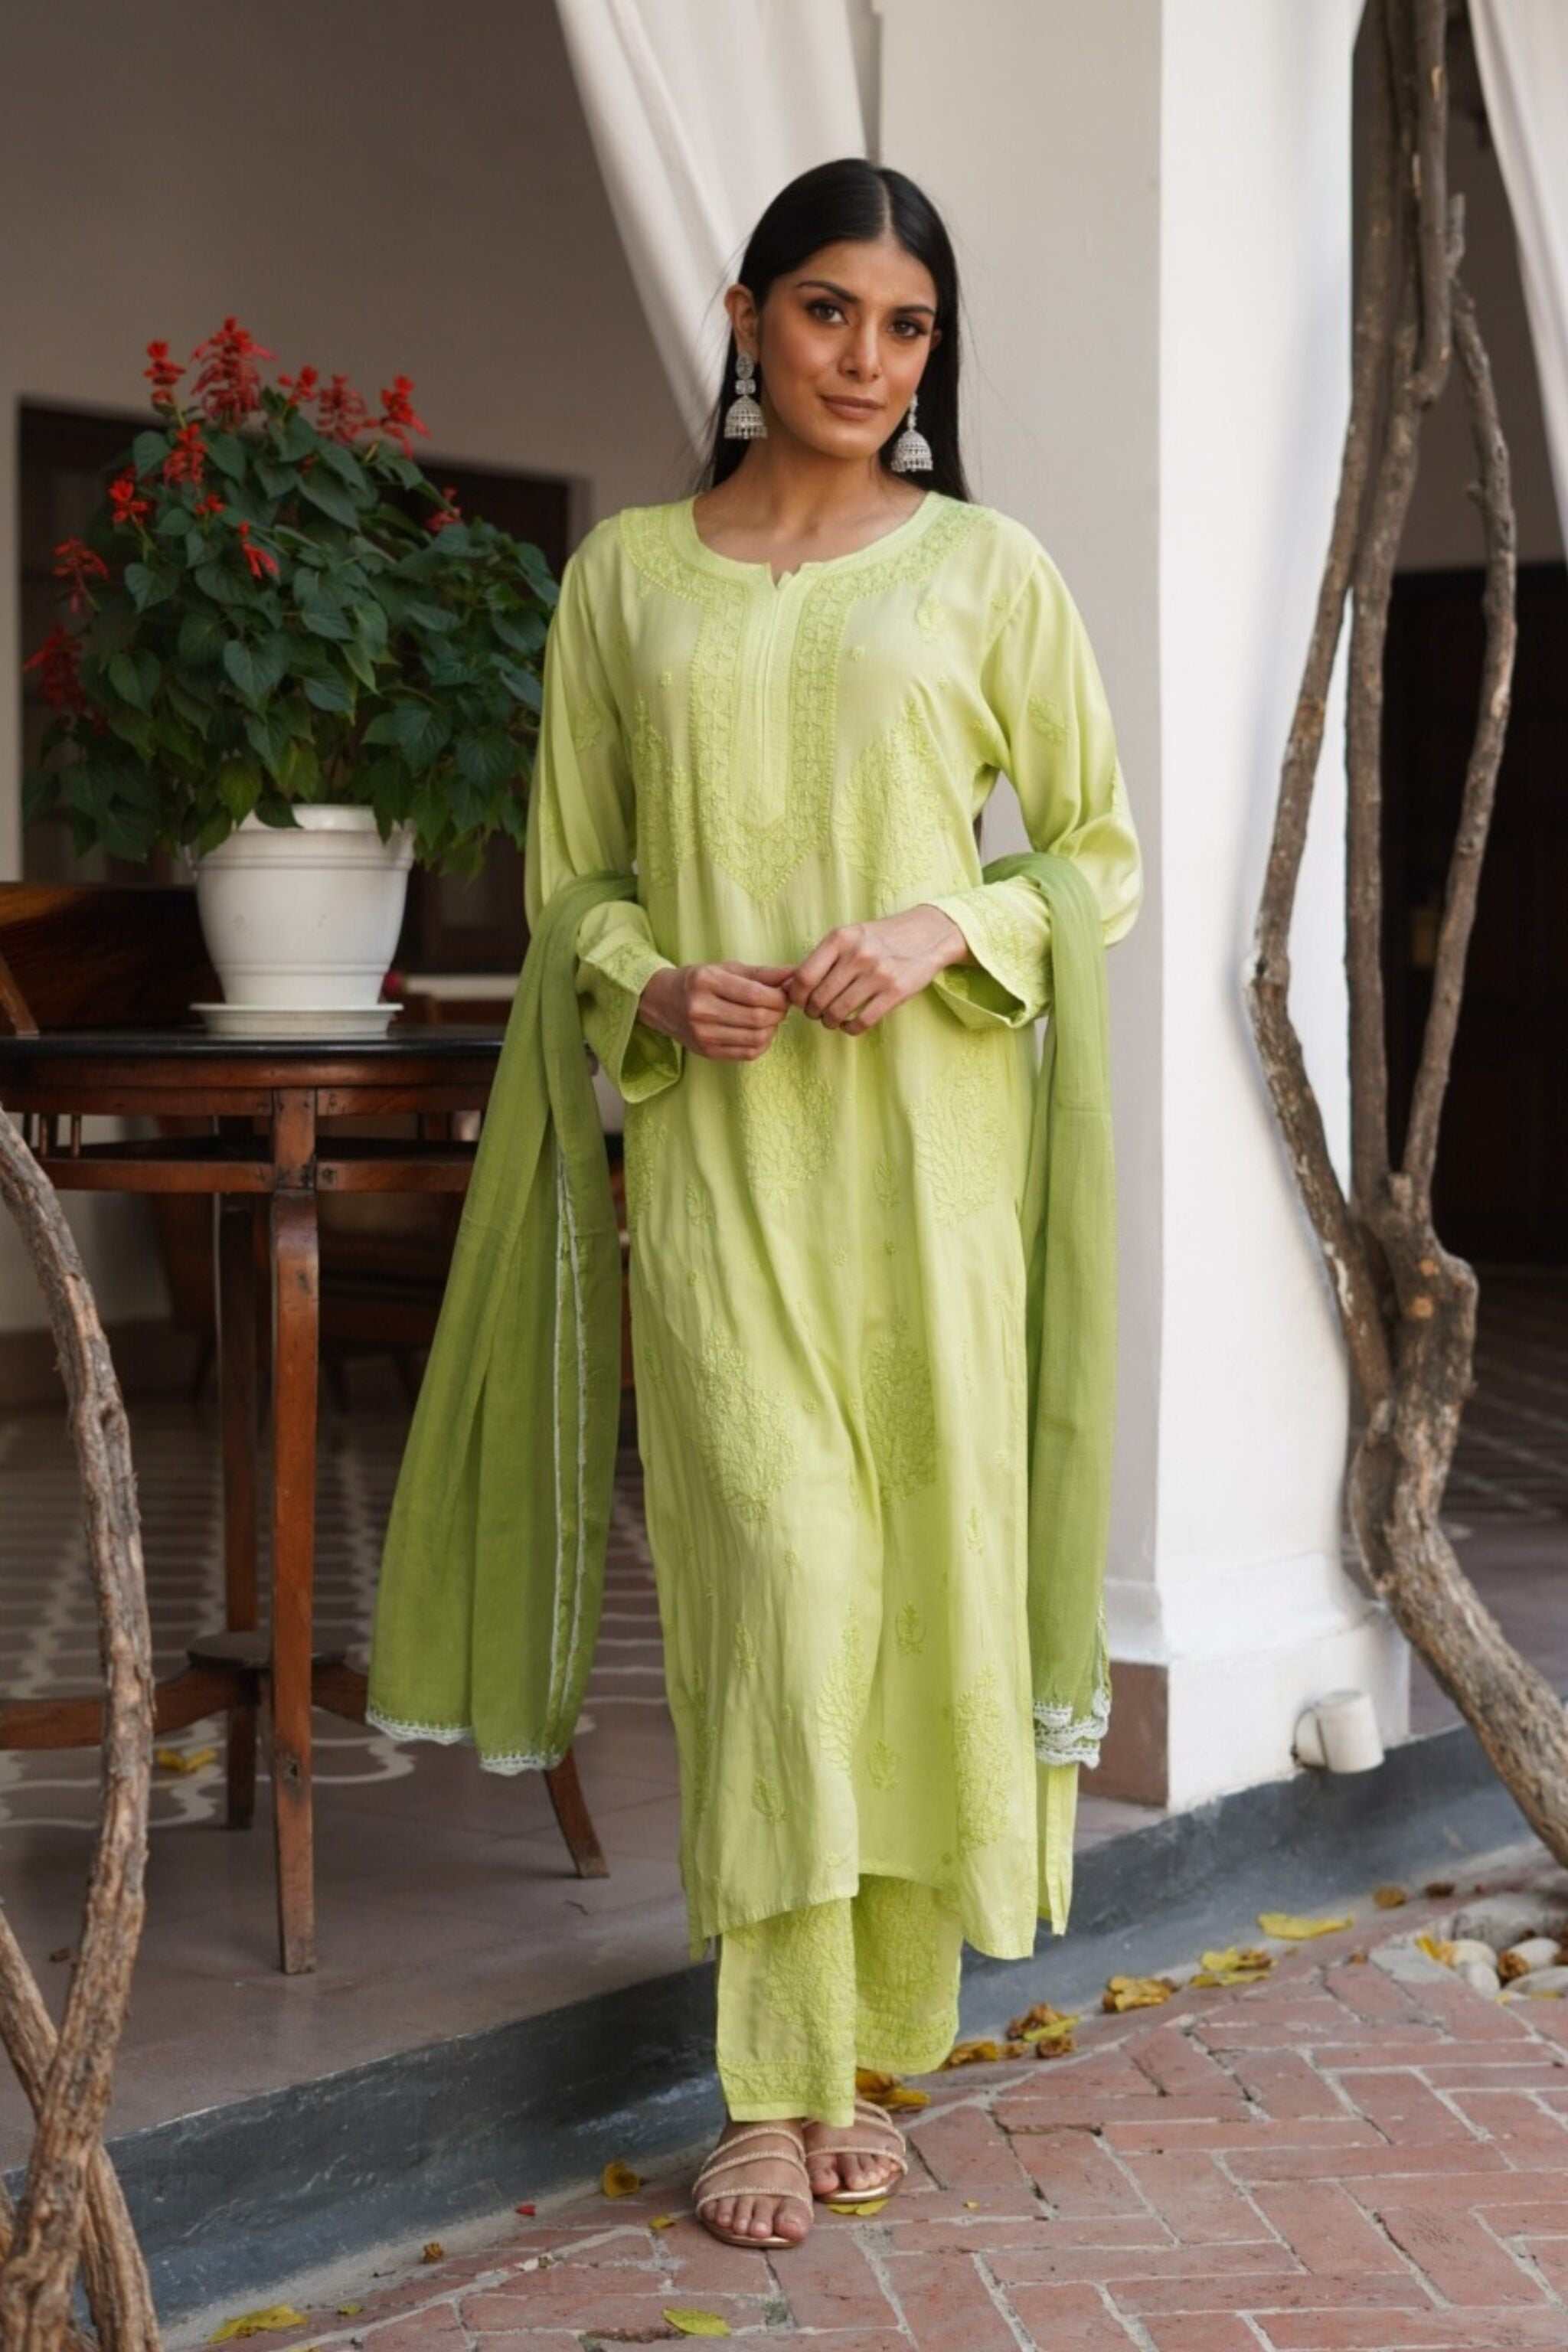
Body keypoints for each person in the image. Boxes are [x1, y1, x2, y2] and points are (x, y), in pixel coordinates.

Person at [465, 155, 1141, 2251]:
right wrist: (649, 979)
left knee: (909, 1594)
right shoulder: (628, 585)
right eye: (830, 310)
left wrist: (947, 924)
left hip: (936, 1176)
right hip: (727, 1161)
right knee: (776, 1586)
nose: (868, 358)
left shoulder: (986, 569)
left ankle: (865, 2055)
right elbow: (568, 874)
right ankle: (764, 2088)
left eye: (908, 325)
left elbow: (1097, 853)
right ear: (748, 318)